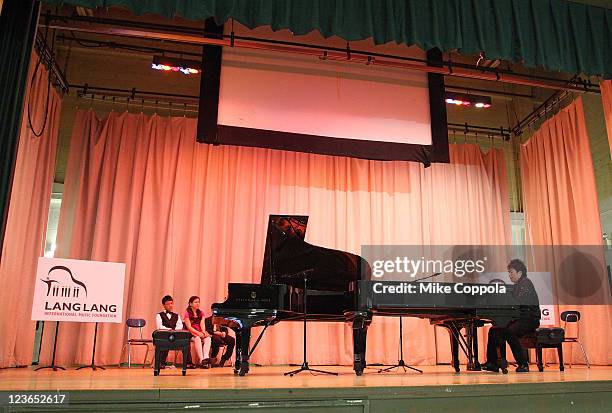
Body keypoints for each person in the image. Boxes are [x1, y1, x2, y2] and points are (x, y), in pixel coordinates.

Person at [483, 259, 540, 373]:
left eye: (511, 272)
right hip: (519, 318)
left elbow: (520, 304)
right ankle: (493, 363)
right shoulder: (516, 285)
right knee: (493, 330)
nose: (509, 275)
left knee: (509, 331)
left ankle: (523, 364)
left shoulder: (526, 283)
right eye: (509, 272)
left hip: (529, 319)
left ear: (519, 273)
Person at [155, 295, 185, 369]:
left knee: (186, 343)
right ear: (163, 305)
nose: (170, 305)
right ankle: (161, 363)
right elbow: (159, 326)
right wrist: (169, 330)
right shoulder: (159, 315)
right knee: (164, 341)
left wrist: (175, 330)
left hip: (175, 336)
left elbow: (180, 326)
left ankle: (188, 363)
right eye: (168, 304)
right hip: (164, 336)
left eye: (171, 303)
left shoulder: (177, 316)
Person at [183, 296, 213, 368]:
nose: (198, 304)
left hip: (199, 331)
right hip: (191, 332)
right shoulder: (187, 313)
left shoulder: (201, 312)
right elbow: (189, 327)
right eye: (195, 302)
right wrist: (198, 333)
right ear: (190, 304)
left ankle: (205, 357)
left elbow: (202, 323)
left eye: (198, 302)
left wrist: (203, 332)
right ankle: (201, 360)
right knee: (197, 339)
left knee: (208, 338)